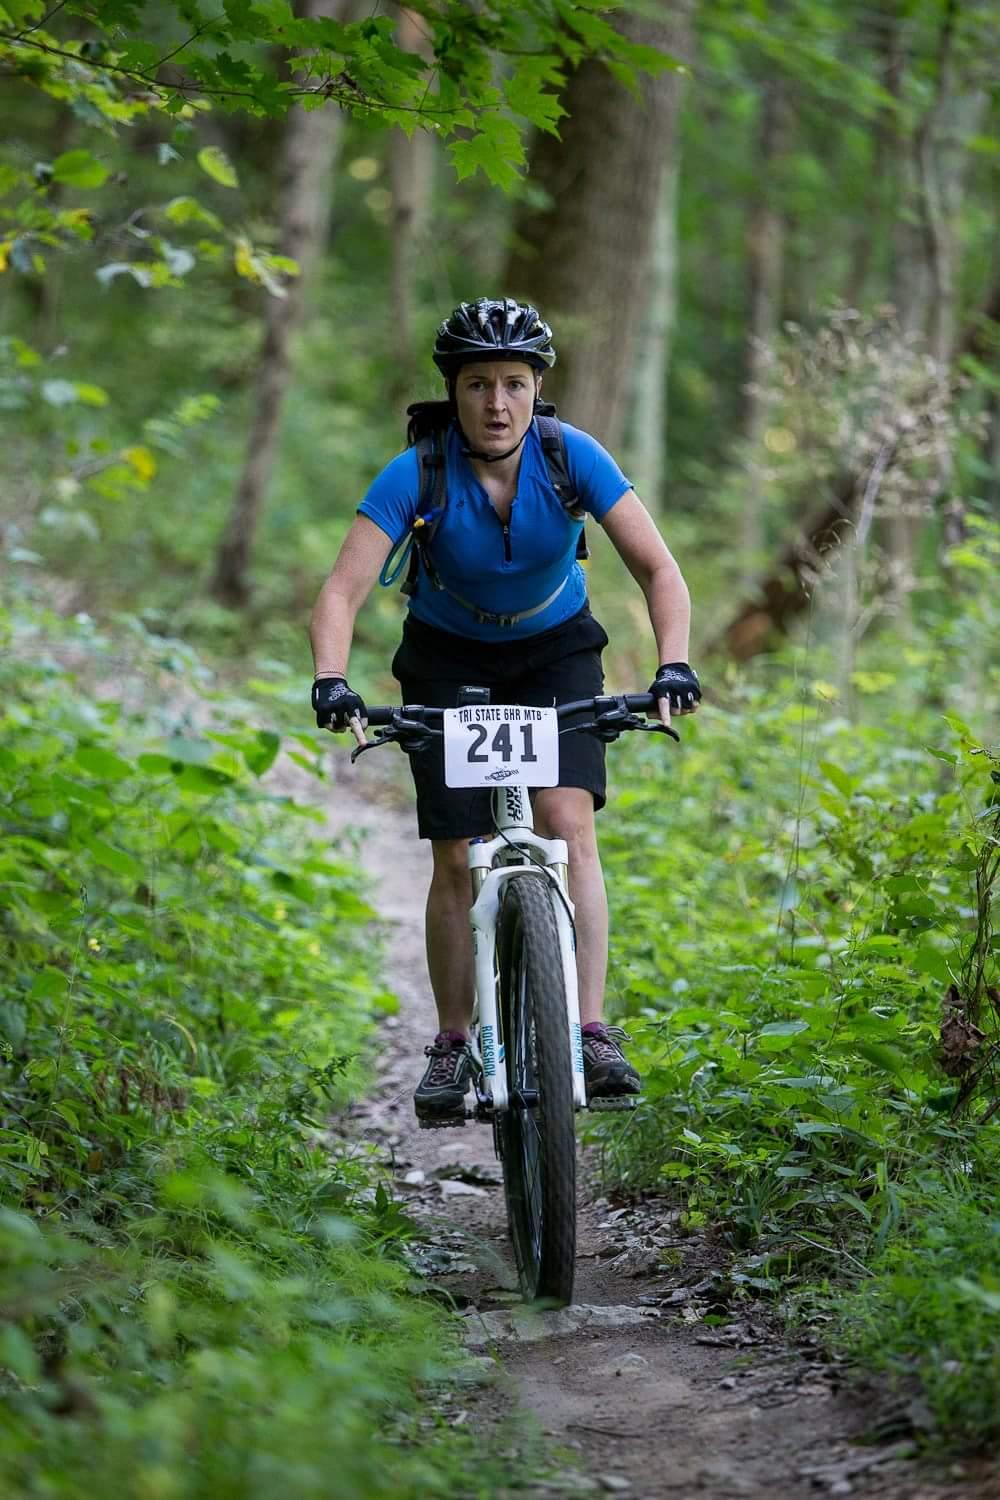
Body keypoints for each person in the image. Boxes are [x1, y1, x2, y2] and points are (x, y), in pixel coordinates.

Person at [310, 297, 700, 1124]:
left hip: (554, 649)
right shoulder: (416, 470)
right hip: (447, 658)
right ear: (453, 392)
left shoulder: (572, 457)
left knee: (570, 825)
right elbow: (342, 590)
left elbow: (659, 570)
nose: (497, 403)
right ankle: (453, 1044)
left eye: (515, 384)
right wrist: (331, 677)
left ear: (537, 389)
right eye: (479, 384)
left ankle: (591, 1031)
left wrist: (673, 663)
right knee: (457, 856)